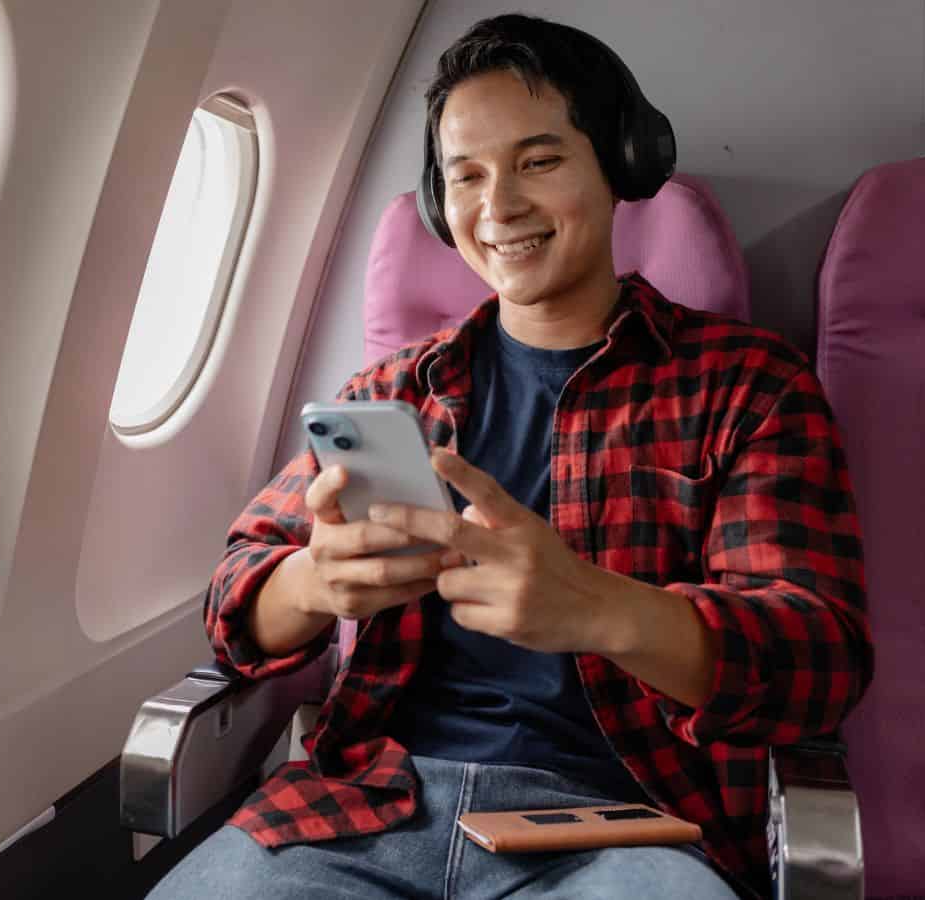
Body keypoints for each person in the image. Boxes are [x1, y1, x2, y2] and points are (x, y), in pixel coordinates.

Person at [148, 13, 872, 900]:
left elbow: (818, 661)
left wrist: (598, 608)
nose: (499, 209)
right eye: (467, 177)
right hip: (362, 813)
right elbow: (233, 596)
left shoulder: (747, 386)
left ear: (620, 164)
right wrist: (311, 585)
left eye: (539, 162)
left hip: (617, 829)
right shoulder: (393, 394)